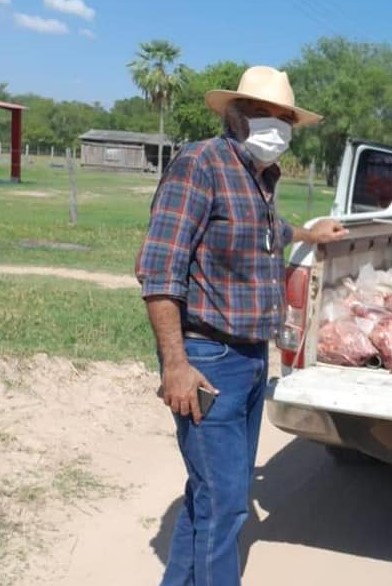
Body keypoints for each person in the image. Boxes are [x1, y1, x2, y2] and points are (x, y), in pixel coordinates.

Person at [135, 65, 348, 586]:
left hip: (252, 361)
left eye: (284, 118)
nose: (275, 126)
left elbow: (269, 231)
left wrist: (311, 233)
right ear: (236, 115)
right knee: (228, 506)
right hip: (208, 362)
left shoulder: (259, 178)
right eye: (262, 114)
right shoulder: (200, 164)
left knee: (209, 498)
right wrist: (176, 364)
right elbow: (160, 270)